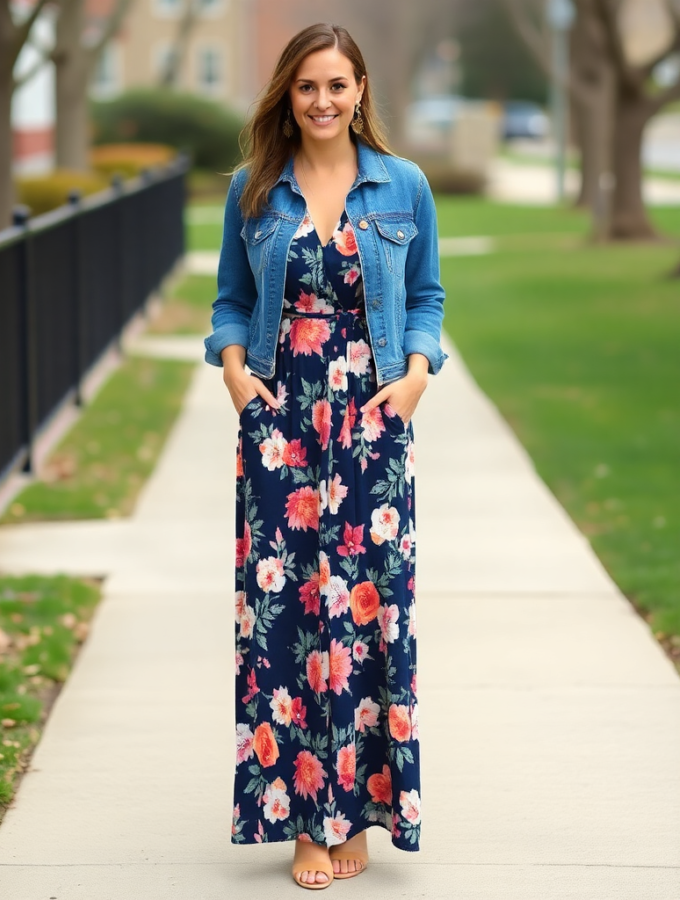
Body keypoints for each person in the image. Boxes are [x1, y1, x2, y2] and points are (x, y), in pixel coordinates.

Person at [204, 22, 447, 891]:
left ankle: (363, 811)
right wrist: (235, 376)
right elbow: (231, 303)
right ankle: (306, 821)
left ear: (360, 91)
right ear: (287, 93)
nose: (322, 100)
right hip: (281, 425)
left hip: (373, 422)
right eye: (307, 86)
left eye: (337, 85)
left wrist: (416, 376)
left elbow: (426, 297)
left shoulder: (403, 185)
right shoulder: (253, 188)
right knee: (291, 618)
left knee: (370, 612)